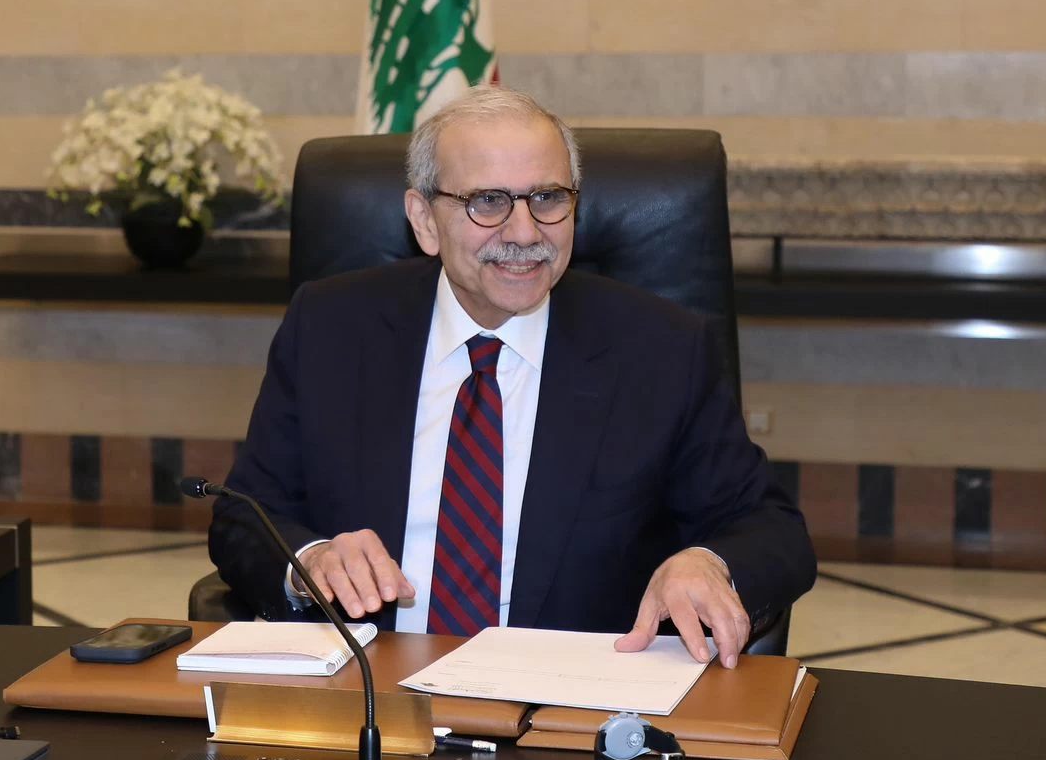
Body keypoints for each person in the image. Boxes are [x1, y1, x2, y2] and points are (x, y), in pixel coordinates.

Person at [209, 87, 814, 668]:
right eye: (488, 202)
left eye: (547, 198)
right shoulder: (331, 327)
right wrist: (310, 561)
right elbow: (245, 516)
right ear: (424, 220)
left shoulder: (660, 350)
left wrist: (709, 562)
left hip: (568, 700)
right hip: (371, 686)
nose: (525, 233)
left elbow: (772, 529)